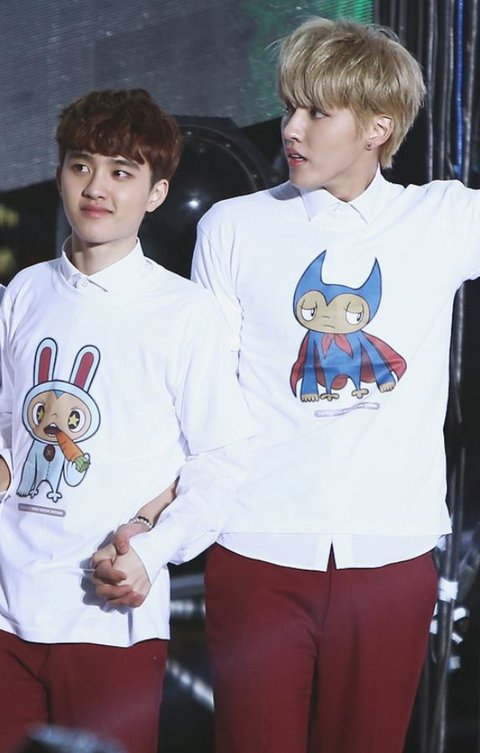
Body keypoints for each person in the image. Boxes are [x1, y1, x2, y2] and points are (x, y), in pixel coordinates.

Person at [189, 16, 469, 753]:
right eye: (290, 107)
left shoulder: (441, 218)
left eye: (317, 112)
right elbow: (202, 393)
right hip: (254, 547)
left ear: (379, 127)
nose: (292, 128)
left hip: (391, 554)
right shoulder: (232, 226)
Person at [0, 88, 252, 753]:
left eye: (121, 171)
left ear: (156, 192)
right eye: (81, 165)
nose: (96, 187)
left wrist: (151, 550)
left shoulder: (185, 312)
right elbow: (9, 430)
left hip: (108, 618)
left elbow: (220, 459)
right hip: (7, 611)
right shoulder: (25, 291)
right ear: (59, 173)